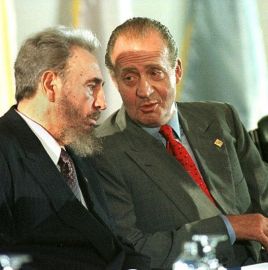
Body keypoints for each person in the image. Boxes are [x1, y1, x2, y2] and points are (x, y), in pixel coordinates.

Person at [95, 17, 268, 269]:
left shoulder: (221, 118)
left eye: (155, 73)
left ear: (176, 70)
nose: (144, 90)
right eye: (130, 78)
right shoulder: (102, 150)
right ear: (114, 81)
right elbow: (133, 249)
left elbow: (264, 198)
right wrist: (229, 227)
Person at [0, 25, 151, 270]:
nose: (102, 103)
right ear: (50, 85)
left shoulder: (77, 153)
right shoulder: (3, 148)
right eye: (91, 86)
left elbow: (107, 243)